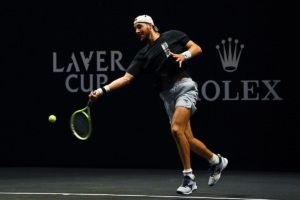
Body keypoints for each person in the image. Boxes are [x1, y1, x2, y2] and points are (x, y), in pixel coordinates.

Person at [89, 15, 228, 195]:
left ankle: (189, 178)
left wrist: (183, 56)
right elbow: (126, 78)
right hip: (166, 95)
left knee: (176, 130)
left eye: (139, 27)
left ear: (150, 25)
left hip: (185, 87)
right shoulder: (143, 55)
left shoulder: (172, 35)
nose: (137, 31)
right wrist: (101, 90)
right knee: (188, 139)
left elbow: (197, 48)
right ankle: (217, 161)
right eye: (135, 29)